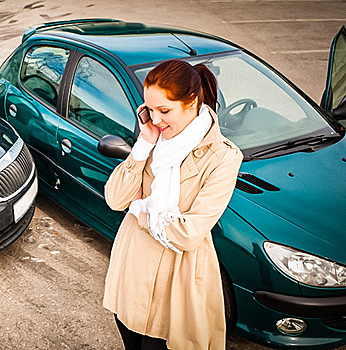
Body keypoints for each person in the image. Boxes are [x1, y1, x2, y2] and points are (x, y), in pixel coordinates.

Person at [103, 59, 243, 350]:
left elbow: (189, 234)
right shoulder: (155, 140)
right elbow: (116, 199)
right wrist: (143, 145)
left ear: (191, 102)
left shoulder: (223, 157)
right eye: (150, 110)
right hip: (133, 268)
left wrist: (140, 209)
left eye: (164, 110)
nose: (155, 120)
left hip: (177, 279)